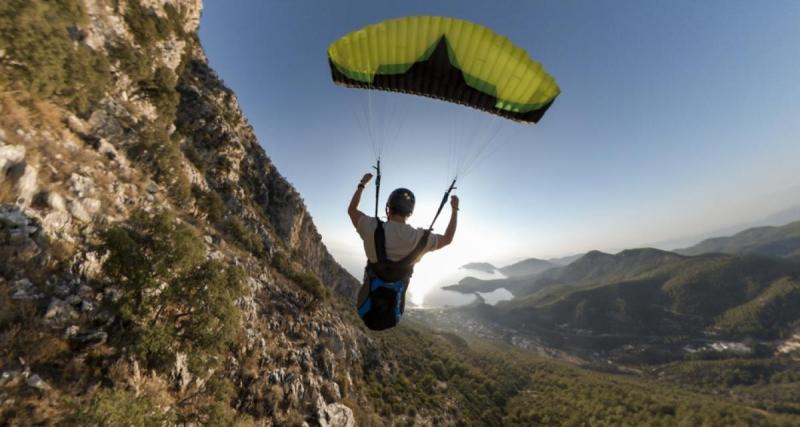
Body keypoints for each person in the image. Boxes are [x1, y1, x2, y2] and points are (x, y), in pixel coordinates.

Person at [348, 172, 458, 330]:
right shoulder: (420, 238)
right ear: (409, 213)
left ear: (389, 208)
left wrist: (362, 184)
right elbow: (448, 238)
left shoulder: (371, 227)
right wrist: (454, 210)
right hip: (393, 313)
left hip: (366, 306)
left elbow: (352, 210)